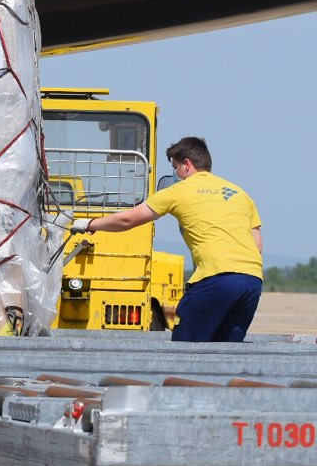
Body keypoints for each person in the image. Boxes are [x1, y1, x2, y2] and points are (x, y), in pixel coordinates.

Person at [74, 136, 262, 343]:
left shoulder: (179, 191)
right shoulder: (239, 194)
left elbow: (128, 220)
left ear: (187, 164)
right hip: (252, 282)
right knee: (227, 351)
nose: (175, 174)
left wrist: (90, 224)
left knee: (184, 348)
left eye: (175, 167)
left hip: (216, 277)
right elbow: (257, 245)